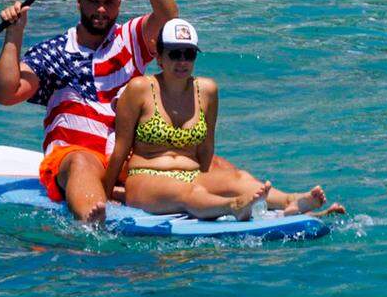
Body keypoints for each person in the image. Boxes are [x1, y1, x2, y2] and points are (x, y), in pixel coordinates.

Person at [0, 0, 342, 223]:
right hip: (76, 155)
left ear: (119, 3)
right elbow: (6, 93)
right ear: (78, 1)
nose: (101, 9)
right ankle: (91, 222)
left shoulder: (128, 38)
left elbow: (169, 17)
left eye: (109, 1)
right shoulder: (55, 52)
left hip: (127, 159)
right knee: (82, 161)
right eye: (93, 1)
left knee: (218, 167)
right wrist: (14, 35)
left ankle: (288, 203)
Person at [104, 19, 272, 220]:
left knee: (240, 178)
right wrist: (106, 194)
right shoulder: (139, 88)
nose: (182, 62)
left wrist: (208, 181)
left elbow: (206, 147)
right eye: (175, 54)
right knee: (189, 193)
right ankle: (233, 205)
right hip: (147, 178)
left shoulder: (207, 90)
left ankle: (293, 201)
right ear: (159, 57)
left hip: (191, 176)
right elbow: (120, 150)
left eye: (189, 54)